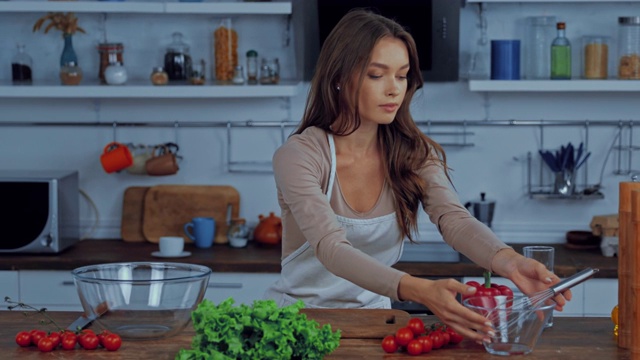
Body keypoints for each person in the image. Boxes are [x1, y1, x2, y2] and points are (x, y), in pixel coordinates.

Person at [263, 8, 570, 342]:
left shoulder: (413, 152)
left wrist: (510, 262)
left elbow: (454, 220)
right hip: (297, 327)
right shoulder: (300, 156)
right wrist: (419, 289)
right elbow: (331, 248)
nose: (394, 89)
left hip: (377, 328)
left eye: (402, 75)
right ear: (339, 77)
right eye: (376, 75)